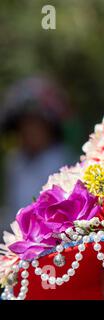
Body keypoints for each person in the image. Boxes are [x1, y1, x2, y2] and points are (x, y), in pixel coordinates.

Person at [0, 76, 74, 230]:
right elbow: (13, 208)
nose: (30, 131)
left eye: (36, 124)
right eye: (25, 124)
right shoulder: (15, 162)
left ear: (49, 127)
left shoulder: (63, 160)